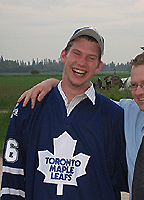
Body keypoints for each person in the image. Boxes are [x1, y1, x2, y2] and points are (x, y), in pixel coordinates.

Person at [16, 50, 144, 199]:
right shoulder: (128, 113)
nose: (139, 92)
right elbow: (85, 100)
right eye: (134, 85)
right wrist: (53, 83)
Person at [0, 27, 128, 199]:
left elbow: (125, 177)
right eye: (76, 53)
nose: (82, 63)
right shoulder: (28, 107)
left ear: (98, 66)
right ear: (63, 55)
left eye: (91, 58)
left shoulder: (114, 116)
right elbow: (12, 178)